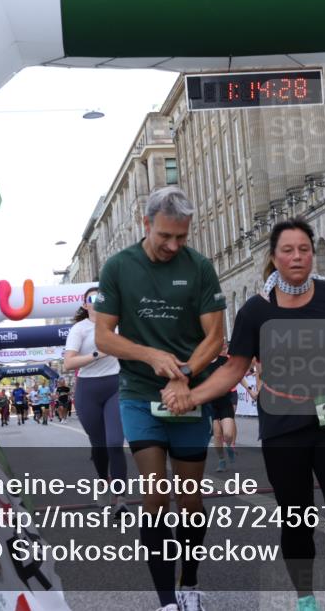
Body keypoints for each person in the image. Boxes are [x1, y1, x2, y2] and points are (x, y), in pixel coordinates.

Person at [163, 218, 325, 611]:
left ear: (311, 253)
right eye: (287, 250)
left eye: (303, 249)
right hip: (284, 426)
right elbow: (234, 369)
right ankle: (305, 597)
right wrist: (194, 395)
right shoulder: (256, 311)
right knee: (296, 518)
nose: (297, 257)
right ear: (274, 258)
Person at [94, 186, 226, 611]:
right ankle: (167, 600)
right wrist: (149, 355)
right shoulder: (118, 267)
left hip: (187, 395)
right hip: (138, 393)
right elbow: (103, 337)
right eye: (165, 236)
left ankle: (190, 584)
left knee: (190, 499)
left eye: (181, 238)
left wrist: (184, 375)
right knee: (154, 495)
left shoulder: (200, 268)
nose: (173, 245)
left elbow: (215, 337)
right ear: (145, 224)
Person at [64, 286, 126, 513]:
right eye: (93, 298)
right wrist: (99, 353)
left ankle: (120, 500)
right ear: (85, 305)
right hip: (88, 390)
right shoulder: (79, 329)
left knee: (115, 443)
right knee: (99, 445)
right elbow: (68, 363)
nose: (99, 301)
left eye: (103, 297)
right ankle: (102, 480)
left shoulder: (119, 325)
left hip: (115, 385)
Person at [208, 342, 238, 473]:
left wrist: (249, 390)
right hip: (211, 403)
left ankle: (230, 446)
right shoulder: (203, 365)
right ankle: (221, 460)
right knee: (217, 434)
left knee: (227, 434)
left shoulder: (224, 360)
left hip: (225, 401)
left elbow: (237, 374)